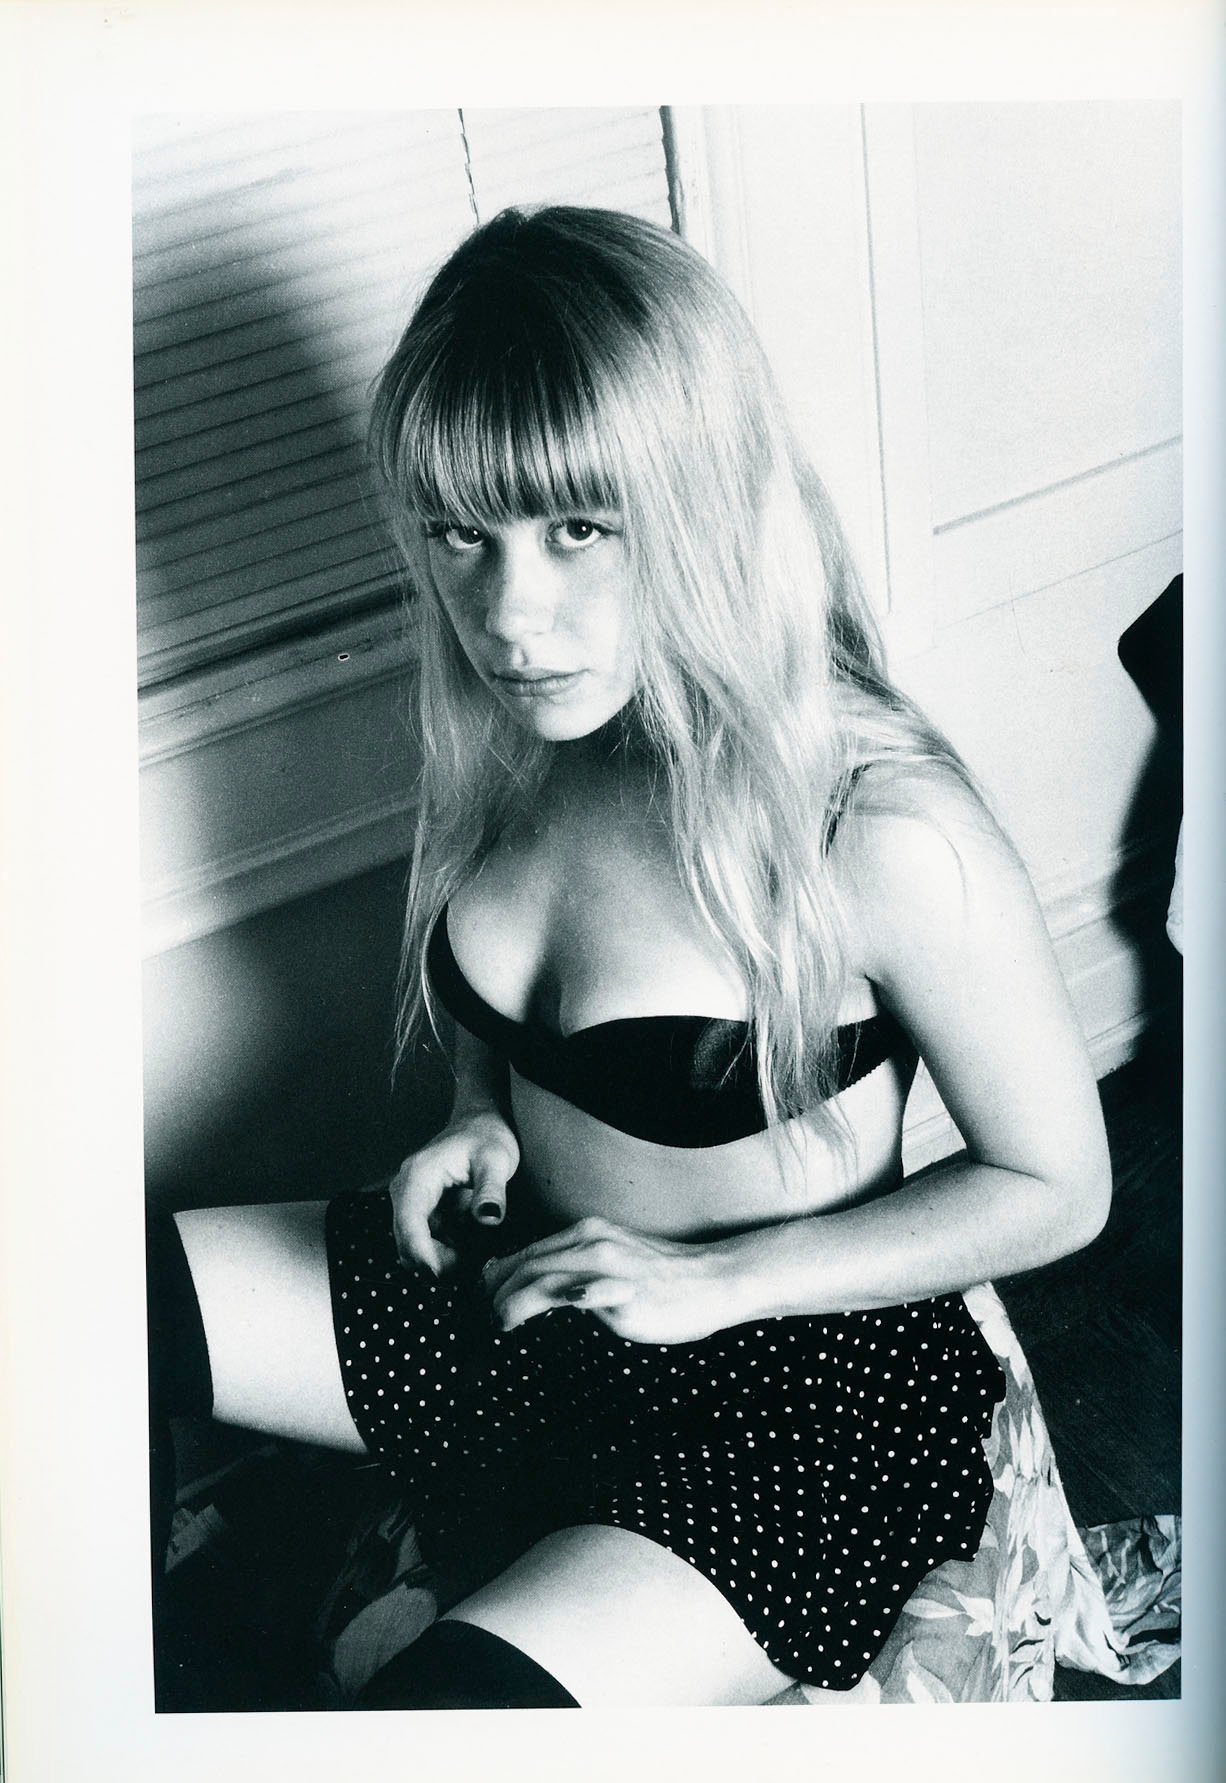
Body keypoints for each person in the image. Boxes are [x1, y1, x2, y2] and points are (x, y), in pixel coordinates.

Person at [149, 205, 1112, 1710]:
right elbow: (513, 1022)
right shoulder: (523, 741)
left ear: (705, 500)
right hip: (533, 1289)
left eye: (580, 529)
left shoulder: (876, 826)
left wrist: (714, 1282)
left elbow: (1058, 1185)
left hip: (792, 1388)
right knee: (74, 1309)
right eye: (461, 532)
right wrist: (476, 1115)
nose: (509, 616)